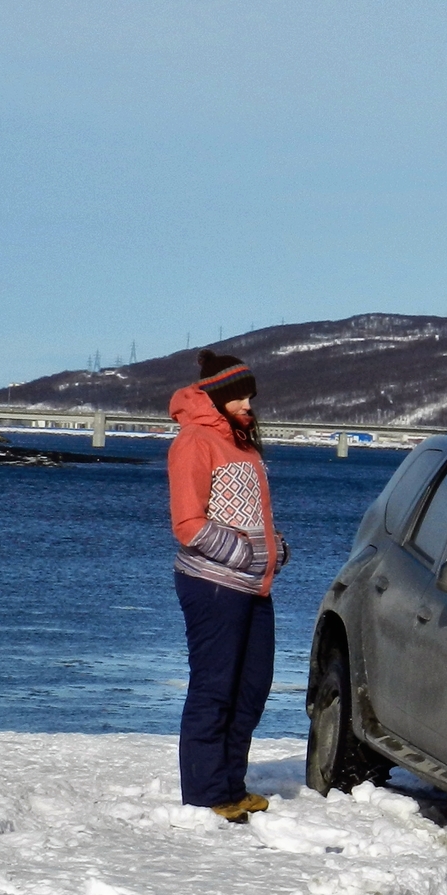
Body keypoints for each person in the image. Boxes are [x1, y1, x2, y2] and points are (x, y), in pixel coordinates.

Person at [166, 350, 288, 823]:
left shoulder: (241, 443)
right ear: (215, 398)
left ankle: (231, 786)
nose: (246, 403)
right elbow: (189, 524)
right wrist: (245, 554)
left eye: (249, 395)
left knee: (251, 687)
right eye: (237, 396)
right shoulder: (195, 441)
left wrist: (274, 547)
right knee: (214, 689)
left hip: (254, 585)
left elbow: (245, 514)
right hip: (214, 584)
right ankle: (206, 794)